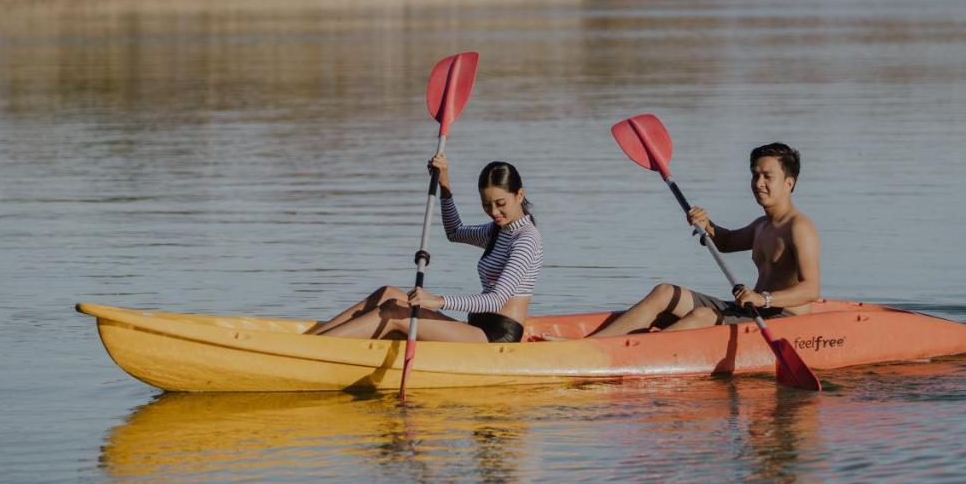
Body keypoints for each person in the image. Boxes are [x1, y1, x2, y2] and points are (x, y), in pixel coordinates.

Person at [594, 143, 819, 336]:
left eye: (767, 176)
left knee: (702, 316)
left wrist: (763, 299)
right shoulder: (762, 224)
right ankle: (593, 345)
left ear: (789, 183)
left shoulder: (800, 228)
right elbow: (728, 242)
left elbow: (811, 290)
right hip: (752, 310)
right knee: (664, 292)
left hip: (783, 320)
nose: (758, 183)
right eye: (755, 175)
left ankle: (629, 354)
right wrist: (707, 225)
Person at [313, 157, 543, 343]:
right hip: (476, 326)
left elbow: (495, 300)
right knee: (387, 294)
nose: (493, 212)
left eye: (500, 203)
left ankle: (315, 351)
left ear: (519, 195)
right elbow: (455, 232)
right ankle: (309, 342)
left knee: (394, 313)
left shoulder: (526, 239)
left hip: (496, 337)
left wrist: (437, 301)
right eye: (486, 204)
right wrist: (445, 187)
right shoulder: (496, 230)